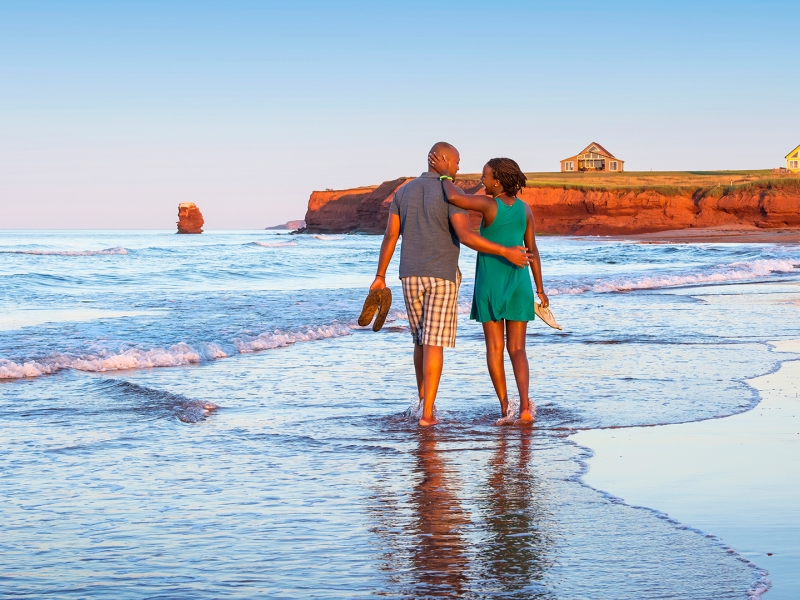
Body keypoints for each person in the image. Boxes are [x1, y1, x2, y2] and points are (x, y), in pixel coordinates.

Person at [370, 142, 533, 427]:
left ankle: (422, 403)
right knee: (434, 342)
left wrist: (380, 275)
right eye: (456, 161)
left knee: (419, 340)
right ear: (442, 160)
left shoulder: (403, 191)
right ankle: (428, 414)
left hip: (409, 274)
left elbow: (390, 236)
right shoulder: (450, 196)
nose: (458, 167)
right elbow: (466, 236)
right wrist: (506, 251)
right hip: (442, 274)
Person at [429, 152, 548, 426]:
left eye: (486, 176)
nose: (482, 181)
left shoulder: (488, 205)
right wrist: (540, 289)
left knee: (495, 349)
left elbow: (454, 198)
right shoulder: (525, 209)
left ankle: (506, 407)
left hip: (490, 285)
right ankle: (526, 407)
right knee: (518, 349)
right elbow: (533, 250)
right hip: (520, 283)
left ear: (498, 182)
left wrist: (445, 174)